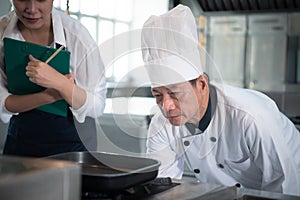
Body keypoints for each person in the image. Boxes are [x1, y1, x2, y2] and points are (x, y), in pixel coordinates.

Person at [141, 4, 300, 196]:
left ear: (201, 84)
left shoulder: (250, 118)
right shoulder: (161, 125)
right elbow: (163, 188)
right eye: (158, 95)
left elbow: (284, 189)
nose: (166, 106)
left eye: (174, 93)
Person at [0, 0, 106, 157]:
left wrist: (60, 83)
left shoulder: (76, 35)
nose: (31, 9)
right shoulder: (2, 32)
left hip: (72, 145)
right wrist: (50, 95)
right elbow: (3, 102)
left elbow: (97, 105)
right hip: (20, 143)